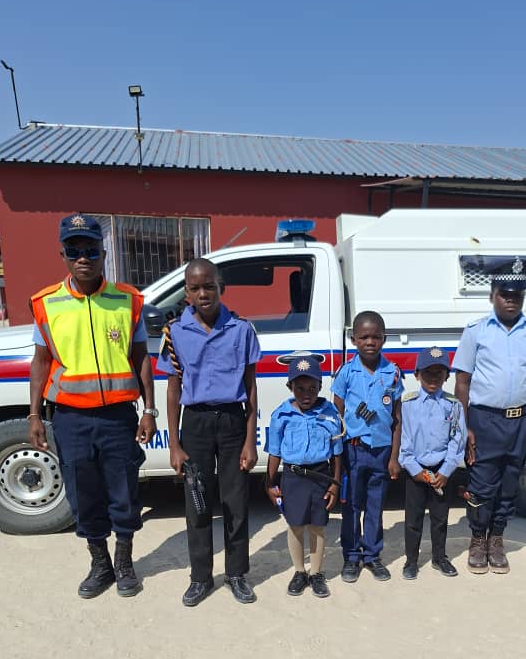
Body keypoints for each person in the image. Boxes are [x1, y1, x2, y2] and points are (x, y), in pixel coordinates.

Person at [28, 213, 157, 598]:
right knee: (83, 494)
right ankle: (100, 564)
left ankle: (124, 562)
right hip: (71, 419)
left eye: (90, 249)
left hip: (118, 417)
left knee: (124, 491)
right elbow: (40, 362)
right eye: (74, 250)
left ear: (103, 252)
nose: (83, 257)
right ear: (63, 255)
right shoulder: (46, 304)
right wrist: (34, 414)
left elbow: (141, 358)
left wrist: (149, 410)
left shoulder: (127, 300)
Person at [156, 258, 260, 607]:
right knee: (197, 503)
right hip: (196, 424)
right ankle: (200, 577)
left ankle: (237, 574)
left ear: (221, 288)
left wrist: (250, 440)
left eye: (209, 286)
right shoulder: (175, 332)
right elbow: (173, 390)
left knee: (236, 502)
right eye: (195, 288)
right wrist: (175, 444)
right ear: (186, 292)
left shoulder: (242, 329)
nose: (203, 293)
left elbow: (251, 387)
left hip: (232, 422)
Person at [452, 259, 526, 574]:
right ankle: (477, 539)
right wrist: (465, 426)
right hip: (484, 420)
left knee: (509, 483)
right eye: (504, 294)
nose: (511, 300)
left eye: (517, 295)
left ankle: (497, 539)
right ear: (492, 296)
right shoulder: (476, 332)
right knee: (481, 485)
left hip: (519, 422)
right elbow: (462, 382)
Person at [331, 311, 404, 582]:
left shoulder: (393, 373)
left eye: (376, 337)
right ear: (353, 339)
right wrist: (337, 455)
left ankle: (372, 555)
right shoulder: (346, 372)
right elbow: (337, 414)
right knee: (351, 504)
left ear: (384, 338)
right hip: (353, 450)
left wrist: (394, 457)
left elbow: (397, 418)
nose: (370, 342)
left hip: (381, 451)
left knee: (375, 505)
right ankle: (351, 556)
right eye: (364, 337)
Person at [265, 355, 343, 598]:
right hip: (293, 476)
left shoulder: (330, 413)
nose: (306, 394)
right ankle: (300, 571)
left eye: (312, 388)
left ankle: (316, 573)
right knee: (296, 525)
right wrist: (269, 483)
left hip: (321, 475)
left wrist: (335, 484)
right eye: (300, 388)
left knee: (317, 526)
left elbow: (337, 452)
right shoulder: (282, 415)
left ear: (320, 386)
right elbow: (274, 452)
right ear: (290, 387)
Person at [397, 347, 467, 580]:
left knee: (440, 518)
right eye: (428, 372)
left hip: (441, 471)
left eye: (439, 373)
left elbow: (457, 439)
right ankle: (411, 560)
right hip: (415, 470)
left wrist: (446, 471)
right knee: (413, 519)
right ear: (417, 374)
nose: (433, 378)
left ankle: (439, 557)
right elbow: (404, 441)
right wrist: (415, 470)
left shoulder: (453, 405)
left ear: (447, 376)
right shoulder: (408, 404)